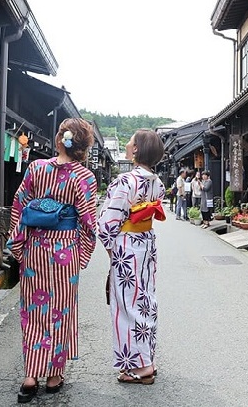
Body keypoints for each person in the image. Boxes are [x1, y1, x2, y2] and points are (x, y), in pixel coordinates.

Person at [7, 118, 97, 403]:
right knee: (60, 311)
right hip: (65, 251)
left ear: (59, 139)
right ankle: (54, 375)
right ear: (83, 147)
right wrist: (82, 254)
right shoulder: (85, 177)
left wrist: (18, 244)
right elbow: (88, 222)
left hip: (35, 248)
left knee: (33, 311)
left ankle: (30, 376)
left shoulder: (36, 168)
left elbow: (19, 204)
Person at [98, 129, 165, 385]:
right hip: (146, 244)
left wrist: (110, 251)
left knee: (127, 306)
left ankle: (140, 367)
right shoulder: (156, 182)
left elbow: (107, 223)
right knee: (145, 301)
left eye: (130, 142)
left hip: (126, 246)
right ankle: (147, 358)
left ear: (136, 149)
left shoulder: (125, 181)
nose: (127, 144)